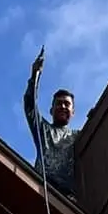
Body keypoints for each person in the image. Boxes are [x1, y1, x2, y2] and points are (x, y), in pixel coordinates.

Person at [23, 47, 79, 198]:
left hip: (68, 199)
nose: (62, 106)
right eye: (58, 103)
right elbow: (30, 105)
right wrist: (35, 74)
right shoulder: (44, 130)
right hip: (42, 192)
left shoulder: (78, 137)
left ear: (73, 112)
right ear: (51, 110)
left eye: (67, 104)